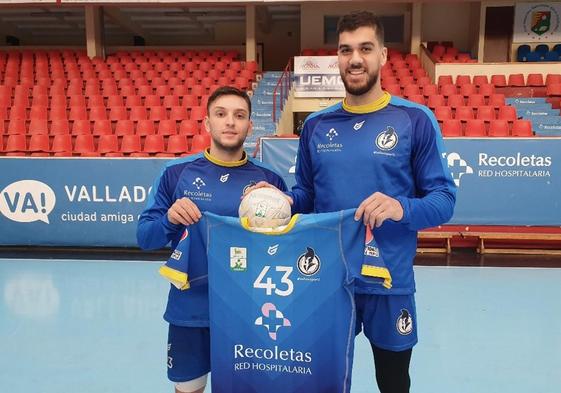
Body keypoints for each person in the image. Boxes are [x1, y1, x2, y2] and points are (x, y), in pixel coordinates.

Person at [248, 11, 456, 393]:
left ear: (383, 55)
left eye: (365, 48)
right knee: (320, 380)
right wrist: (277, 202)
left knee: (393, 382)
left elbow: (444, 200)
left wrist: (401, 207)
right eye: (346, 50)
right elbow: (306, 196)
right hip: (324, 277)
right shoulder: (316, 125)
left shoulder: (415, 120)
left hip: (388, 283)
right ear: (337, 59)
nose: (355, 59)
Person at [137, 86, 287, 393]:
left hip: (250, 313)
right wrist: (170, 219)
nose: (230, 122)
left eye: (239, 115)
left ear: (250, 126)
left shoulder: (269, 183)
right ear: (207, 123)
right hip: (189, 310)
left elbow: (284, 249)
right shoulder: (176, 173)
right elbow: (145, 237)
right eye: (221, 114)